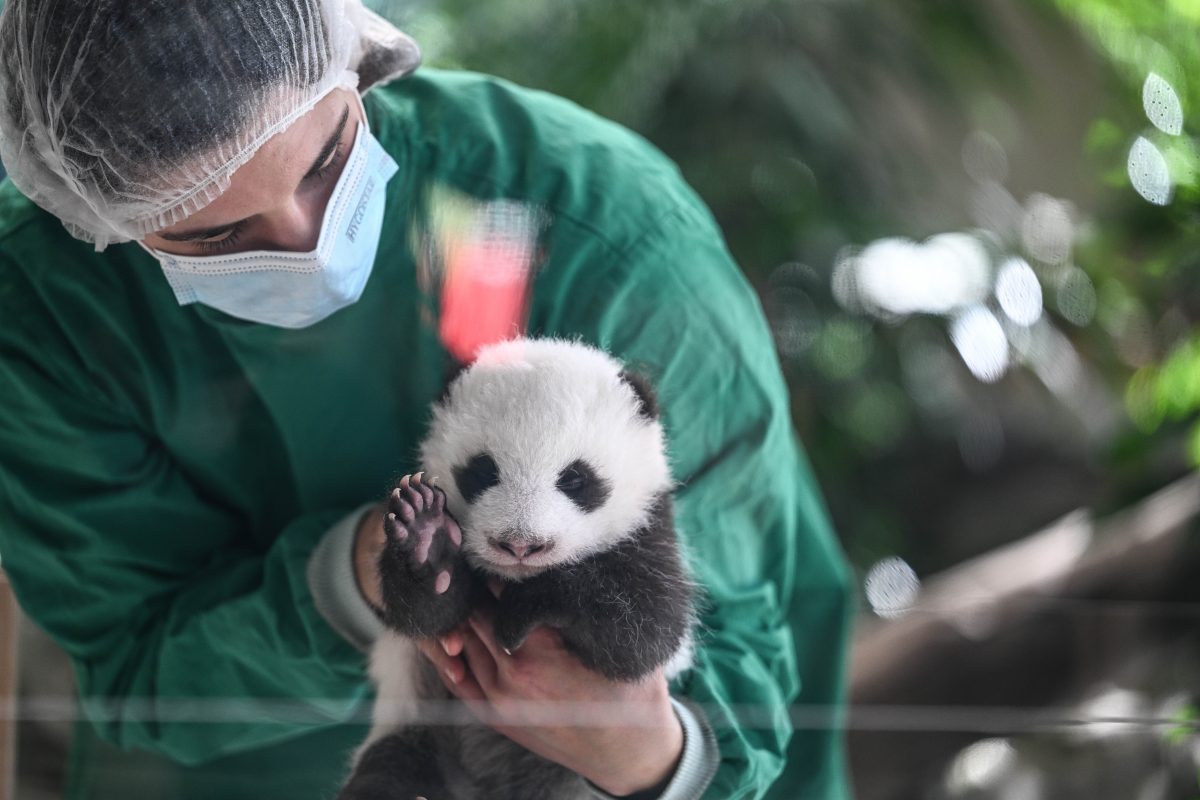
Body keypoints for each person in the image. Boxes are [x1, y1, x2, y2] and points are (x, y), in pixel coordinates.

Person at [0, 2, 853, 799]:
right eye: (216, 234)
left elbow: (733, 650)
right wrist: (363, 576)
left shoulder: (604, 236)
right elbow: (139, 664)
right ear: (93, 214)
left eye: (329, 157)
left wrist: (651, 756)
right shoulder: (47, 308)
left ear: (357, 59)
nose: (312, 246)